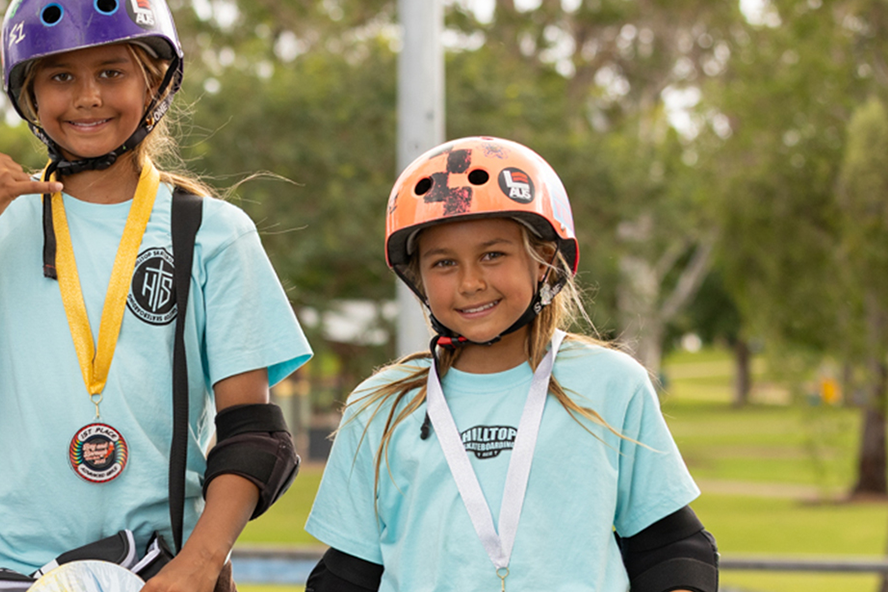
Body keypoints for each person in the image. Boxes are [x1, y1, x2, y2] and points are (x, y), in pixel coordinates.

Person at [0, 0, 309, 590]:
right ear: (30, 97)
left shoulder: (213, 233)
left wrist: (199, 565)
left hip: (158, 573)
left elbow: (253, 435)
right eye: (59, 76)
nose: (87, 96)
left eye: (111, 72)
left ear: (154, 84)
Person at [302, 137, 719, 591]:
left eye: (492, 255)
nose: (470, 282)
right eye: (444, 263)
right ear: (417, 276)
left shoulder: (612, 384)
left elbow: (671, 548)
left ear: (543, 260)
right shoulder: (380, 404)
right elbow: (347, 574)